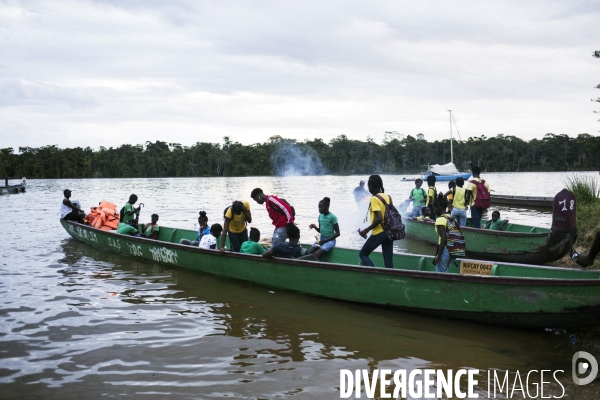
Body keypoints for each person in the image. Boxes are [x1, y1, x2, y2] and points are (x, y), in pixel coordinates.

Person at [358, 175, 394, 269]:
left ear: (371, 186)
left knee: (363, 254)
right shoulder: (388, 197)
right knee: (388, 262)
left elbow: (378, 218)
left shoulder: (374, 198)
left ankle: (373, 274)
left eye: (368, 186)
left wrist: (366, 230)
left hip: (379, 233)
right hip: (389, 232)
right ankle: (390, 281)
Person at [433, 193, 466, 273]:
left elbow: (444, 238)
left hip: (446, 249)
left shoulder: (440, 219)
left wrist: (438, 257)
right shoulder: (451, 218)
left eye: (434, 208)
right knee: (445, 271)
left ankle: (441, 285)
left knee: (440, 273)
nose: (434, 210)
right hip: (454, 250)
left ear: (439, 207)